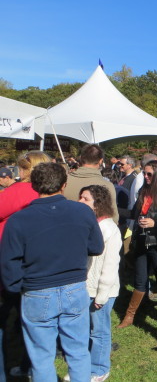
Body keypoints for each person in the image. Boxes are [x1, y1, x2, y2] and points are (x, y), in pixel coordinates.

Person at [1, 162, 104, 381]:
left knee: (41, 357)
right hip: (72, 288)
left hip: (38, 291)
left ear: (34, 186)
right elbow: (96, 246)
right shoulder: (81, 212)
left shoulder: (20, 219)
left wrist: (17, 288)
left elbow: (9, 262)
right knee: (77, 352)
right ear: (64, 185)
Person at [0, 151, 51, 380]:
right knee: (34, 318)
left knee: (11, 312)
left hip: (12, 260)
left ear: (26, 170)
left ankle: (13, 365)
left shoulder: (18, 191)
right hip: (41, 262)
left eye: (21, 169)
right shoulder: (50, 193)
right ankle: (30, 364)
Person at [117, 160, 157, 331]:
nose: (146, 176)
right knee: (140, 279)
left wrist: (155, 222)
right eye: (144, 173)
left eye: (149, 174)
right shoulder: (144, 191)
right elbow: (134, 213)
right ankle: (130, 315)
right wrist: (113, 209)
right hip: (142, 241)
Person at [79, 185, 122, 382]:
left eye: (85, 199)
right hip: (85, 288)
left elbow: (111, 265)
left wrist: (102, 294)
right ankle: (85, 367)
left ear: (98, 204)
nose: (80, 201)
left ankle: (99, 370)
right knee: (85, 330)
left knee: (99, 332)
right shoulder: (87, 224)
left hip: (101, 290)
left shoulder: (109, 229)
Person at [64, 144, 119, 224]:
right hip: (92, 232)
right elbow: (113, 219)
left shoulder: (64, 181)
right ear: (101, 161)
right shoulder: (107, 186)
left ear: (81, 158)